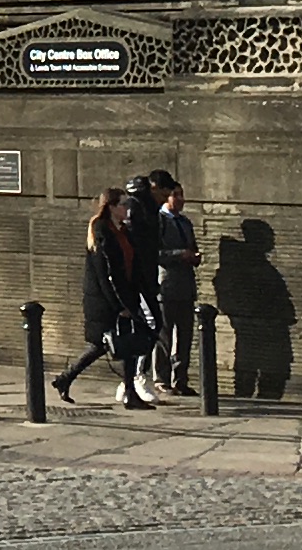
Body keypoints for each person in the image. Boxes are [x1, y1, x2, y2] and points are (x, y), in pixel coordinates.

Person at [54, 185, 157, 409]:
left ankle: (127, 392)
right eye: (123, 204)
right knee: (103, 344)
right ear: (111, 207)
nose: (127, 208)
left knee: (121, 344)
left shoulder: (123, 230)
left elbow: (133, 267)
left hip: (125, 295)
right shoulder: (101, 230)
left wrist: (142, 295)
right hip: (104, 301)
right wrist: (119, 305)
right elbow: (105, 275)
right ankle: (68, 378)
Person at [151, 171, 201, 393]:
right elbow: (156, 253)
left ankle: (181, 379)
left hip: (186, 285)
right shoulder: (159, 221)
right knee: (164, 334)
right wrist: (181, 254)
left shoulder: (186, 223)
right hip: (166, 285)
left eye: (182, 195)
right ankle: (161, 377)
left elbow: (193, 247)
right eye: (176, 195)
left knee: (185, 335)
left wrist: (194, 256)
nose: (180, 199)